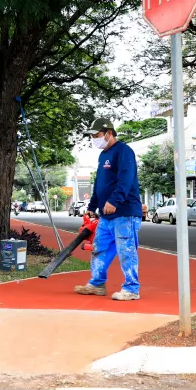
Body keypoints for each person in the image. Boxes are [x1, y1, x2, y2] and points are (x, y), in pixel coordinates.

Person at [74, 117, 143, 301]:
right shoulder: (103, 155)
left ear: (109, 133)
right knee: (100, 247)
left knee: (126, 250)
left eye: (97, 135)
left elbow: (126, 179)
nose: (94, 139)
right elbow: (100, 183)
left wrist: (114, 200)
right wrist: (92, 206)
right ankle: (96, 284)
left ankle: (131, 289)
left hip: (125, 212)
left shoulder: (123, 151)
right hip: (106, 215)